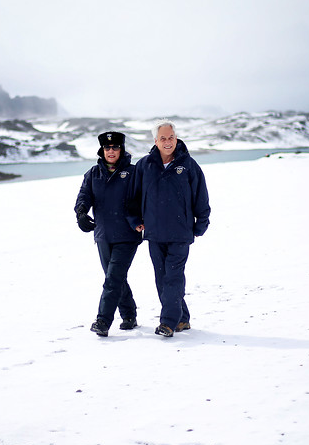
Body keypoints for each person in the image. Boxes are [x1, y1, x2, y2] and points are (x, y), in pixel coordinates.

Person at [127, 120, 210, 337]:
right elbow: (133, 198)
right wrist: (135, 220)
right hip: (154, 234)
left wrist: (200, 224)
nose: (167, 142)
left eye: (171, 137)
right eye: (162, 138)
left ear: (176, 138)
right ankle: (182, 318)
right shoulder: (144, 165)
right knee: (161, 278)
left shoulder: (189, 165)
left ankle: (168, 322)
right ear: (155, 141)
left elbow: (201, 197)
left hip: (180, 232)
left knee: (173, 277)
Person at [74, 131, 142, 337]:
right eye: (107, 148)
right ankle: (129, 314)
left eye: (115, 147)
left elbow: (144, 200)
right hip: (103, 235)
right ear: (102, 150)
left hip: (127, 235)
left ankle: (103, 321)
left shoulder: (133, 173)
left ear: (121, 149)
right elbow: (84, 196)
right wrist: (81, 213)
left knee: (113, 279)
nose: (111, 151)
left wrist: (142, 220)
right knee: (115, 278)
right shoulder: (93, 174)